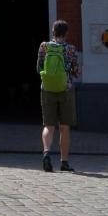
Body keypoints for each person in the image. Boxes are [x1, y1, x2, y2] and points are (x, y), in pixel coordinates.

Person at [37, 19, 80, 172]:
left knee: (49, 126)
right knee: (64, 127)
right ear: (66, 33)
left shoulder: (44, 46)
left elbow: (39, 68)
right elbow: (76, 72)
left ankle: (46, 153)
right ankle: (64, 162)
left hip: (47, 89)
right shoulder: (70, 49)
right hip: (65, 89)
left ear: (53, 32)